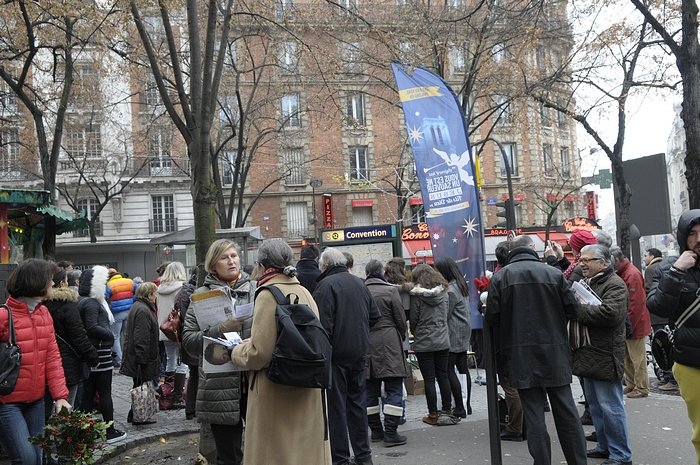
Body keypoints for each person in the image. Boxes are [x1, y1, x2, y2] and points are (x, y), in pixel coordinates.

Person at [485, 235, 587, 465]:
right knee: (567, 412)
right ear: (532, 249)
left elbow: (492, 317)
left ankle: (542, 462)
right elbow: (573, 309)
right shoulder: (553, 273)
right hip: (555, 352)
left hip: (519, 354)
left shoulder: (501, 277)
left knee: (534, 416)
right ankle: (578, 461)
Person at [231, 239, 331, 465]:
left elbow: (259, 354)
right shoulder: (304, 291)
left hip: (275, 391)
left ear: (263, 265)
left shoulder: (267, 294)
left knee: (275, 454)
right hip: (307, 388)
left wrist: (236, 351)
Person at [182, 239, 255, 465]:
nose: (231, 261)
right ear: (213, 265)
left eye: (234, 255)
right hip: (219, 387)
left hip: (254, 382)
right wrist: (220, 329)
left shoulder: (256, 289)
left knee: (260, 452)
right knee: (229, 456)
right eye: (224, 257)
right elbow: (188, 340)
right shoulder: (201, 297)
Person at [0, 259, 71, 465]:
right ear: (36, 282)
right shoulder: (4, 315)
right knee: (27, 459)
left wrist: (60, 396)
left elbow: (52, 356)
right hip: (7, 402)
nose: (53, 284)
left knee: (37, 458)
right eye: (50, 280)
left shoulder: (44, 313)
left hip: (36, 401)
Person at [313, 247, 380, 465]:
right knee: (357, 405)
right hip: (358, 353)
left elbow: (323, 327)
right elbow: (374, 317)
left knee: (337, 409)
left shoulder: (325, 286)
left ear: (324, 265)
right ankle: (364, 455)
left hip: (336, 358)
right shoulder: (360, 283)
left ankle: (340, 458)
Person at [647, 209, 700, 464]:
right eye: (692, 234)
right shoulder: (668, 268)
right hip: (692, 363)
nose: (698, 238)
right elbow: (657, 306)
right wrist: (678, 272)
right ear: (683, 237)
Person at [574, 244, 632, 465]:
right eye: (581, 259)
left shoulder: (614, 284)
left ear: (603, 262)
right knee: (597, 407)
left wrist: (577, 309)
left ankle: (621, 455)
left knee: (611, 407)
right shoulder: (592, 282)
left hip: (605, 354)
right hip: (590, 353)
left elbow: (611, 314)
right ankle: (605, 446)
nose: (582, 263)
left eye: (587, 260)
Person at [78, 265, 127, 444]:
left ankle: (86, 432)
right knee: (104, 392)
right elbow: (92, 326)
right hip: (99, 352)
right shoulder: (91, 302)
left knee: (89, 394)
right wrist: (110, 335)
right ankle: (110, 431)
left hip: (91, 352)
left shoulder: (81, 300)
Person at [363, 259, 408, 447]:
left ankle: (376, 432)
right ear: (381, 272)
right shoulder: (390, 290)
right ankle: (391, 433)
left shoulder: (361, 291)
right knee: (394, 387)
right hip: (389, 341)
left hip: (366, 343)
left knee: (370, 391)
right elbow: (400, 318)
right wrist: (402, 335)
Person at [43, 268, 99, 412]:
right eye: (67, 280)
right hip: (67, 364)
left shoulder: (41, 305)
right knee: (66, 410)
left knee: (46, 411)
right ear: (62, 283)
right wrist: (93, 357)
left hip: (44, 364)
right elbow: (78, 335)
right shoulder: (67, 304)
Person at [409, 263, 457, 427]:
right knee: (443, 376)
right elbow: (446, 315)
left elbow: (414, 319)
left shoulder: (417, 296)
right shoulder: (444, 292)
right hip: (442, 339)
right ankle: (447, 411)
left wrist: (416, 332)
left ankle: (433, 414)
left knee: (429, 379)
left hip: (424, 342)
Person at [611, 247, 651, 398]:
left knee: (637, 358)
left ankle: (641, 387)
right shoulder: (626, 272)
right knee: (628, 356)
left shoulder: (631, 274)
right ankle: (632, 384)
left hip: (635, 323)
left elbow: (636, 304)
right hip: (631, 322)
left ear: (617, 261)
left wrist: (629, 326)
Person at [435, 257, 472, 418]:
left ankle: (459, 407)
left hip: (453, 332)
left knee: (448, 369)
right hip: (464, 331)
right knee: (463, 369)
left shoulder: (450, 290)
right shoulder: (461, 285)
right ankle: (466, 404)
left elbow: (445, 314)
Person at [121, 282, 160, 425]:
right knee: (141, 386)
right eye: (155, 293)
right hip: (142, 358)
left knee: (140, 386)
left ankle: (135, 413)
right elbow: (141, 336)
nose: (156, 296)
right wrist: (142, 359)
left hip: (141, 356)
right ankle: (139, 415)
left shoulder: (139, 307)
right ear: (149, 295)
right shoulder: (143, 310)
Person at [156, 261, 189, 409]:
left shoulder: (159, 289)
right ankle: (177, 397)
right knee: (183, 362)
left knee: (170, 360)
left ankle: (167, 393)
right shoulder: (182, 288)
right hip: (178, 329)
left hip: (165, 329)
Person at [176, 266, 200, 420]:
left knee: (194, 374)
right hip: (191, 339)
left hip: (188, 339)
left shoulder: (185, 291)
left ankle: (191, 409)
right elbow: (190, 317)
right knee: (196, 374)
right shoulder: (189, 293)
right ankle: (192, 409)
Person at [106, 268, 138, 368]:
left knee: (115, 337)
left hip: (117, 313)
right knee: (128, 335)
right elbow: (138, 291)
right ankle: (129, 359)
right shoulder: (130, 282)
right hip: (130, 311)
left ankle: (119, 360)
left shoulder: (109, 285)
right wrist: (131, 301)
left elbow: (105, 297)